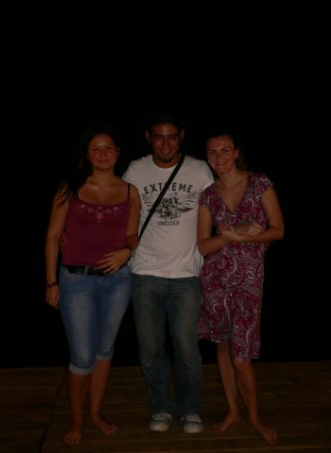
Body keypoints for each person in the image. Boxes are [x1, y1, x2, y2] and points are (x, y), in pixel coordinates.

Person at [44, 125, 141, 446]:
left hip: (118, 281)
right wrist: (51, 281)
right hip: (76, 281)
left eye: (108, 147)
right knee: (83, 356)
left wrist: (128, 251)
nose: (102, 153)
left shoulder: (130, 192)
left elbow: (132, 234)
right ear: (87, 154)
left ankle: (96, 413)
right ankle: (76, 421)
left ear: (118, 152)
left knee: (104, 350)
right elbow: (53, 237)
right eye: (95, 148)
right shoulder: (70, 188)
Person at [122, 112, 215, 434]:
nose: (165, 144)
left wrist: (250, 234)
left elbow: (219, 208)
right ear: (148, 137)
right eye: (159, 137)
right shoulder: (135, 169)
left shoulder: (200, 169)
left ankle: (190, 409)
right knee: (150, 350)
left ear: (181, 137)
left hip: (187, 274)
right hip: (145, 272)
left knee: (187, 349)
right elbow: (120, 213)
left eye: (171, 137)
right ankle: (161, 407)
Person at [197, 129, 284, 444]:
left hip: (248, 283)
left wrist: (243, 235)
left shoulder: (260, 183)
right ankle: (233, 410)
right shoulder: (208, 195)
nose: (218, 157)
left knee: (241, 356)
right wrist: (230, 235)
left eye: (224, 150)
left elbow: (278, 230)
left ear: (236, 153)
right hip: (214, 280)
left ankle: (255, 416)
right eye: (212, 152)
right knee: (222, 346)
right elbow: (203, 246)